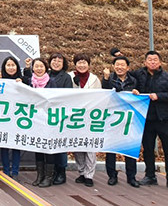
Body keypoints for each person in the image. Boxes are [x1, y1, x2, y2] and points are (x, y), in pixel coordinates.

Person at [132, 51, 168, 192]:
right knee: (147, 149)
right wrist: (134, 91)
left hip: (164, 119)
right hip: (146, 119)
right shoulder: (139, 75)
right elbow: (127, 78)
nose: (152, 62)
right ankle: (150, 175)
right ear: (145, 62)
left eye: (155, 60)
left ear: (160, 62)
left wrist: (159, 96)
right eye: (149, 60)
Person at [101, 56, 140, 188]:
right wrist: (106, 79)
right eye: (117, 64)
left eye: (122, 65)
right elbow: (104, 94)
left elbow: (140, 96)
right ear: (113, 66)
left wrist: (136, 93)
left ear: (128, 68)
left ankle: (131, 176)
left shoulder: (134, 81)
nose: (119, 67)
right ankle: (112, 175)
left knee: (129, 148)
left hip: (129, 120)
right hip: (112, 119)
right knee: (111, 149)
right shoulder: (109, 79)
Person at [23, 58, 58, 187]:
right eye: (36, 66)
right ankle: (40, 175)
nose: (38, 69)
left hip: (48, 119)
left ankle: (48, 177)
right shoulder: (29, 82)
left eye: (41, 66)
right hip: (35, 120)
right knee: (38, 147)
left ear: (46, 68)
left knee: (48, 147)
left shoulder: (51, 82)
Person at [68, 53, 101, 187]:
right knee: (77, 145)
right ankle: (81, 171)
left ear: (89, 64)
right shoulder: (69, 77)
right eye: (79, 62)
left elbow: (100, 97)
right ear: (75, 64)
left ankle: (89, 174)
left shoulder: (94, 79)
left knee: (90, 146)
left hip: (90, 117)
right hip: (74, 117)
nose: (82, 65)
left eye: (84, 62)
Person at [47, 52, 73, 185]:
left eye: (59, 61)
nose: (56, 63)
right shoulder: (45, 75)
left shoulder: (66, 77)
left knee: (61, 145)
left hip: (61, 116)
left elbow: (67, 96)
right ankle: (52, 172)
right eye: (54, 60)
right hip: (46, 116)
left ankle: (61, 172)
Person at [0, 57, 23, 178]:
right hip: (3, 117)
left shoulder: (22, 80)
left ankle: (15, 171)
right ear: (4, 67)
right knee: (4, 144)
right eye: (8, 65)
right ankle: (6, 170)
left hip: (18, 117)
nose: (11, 67)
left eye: (13, 65)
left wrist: (22, 85)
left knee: (16, 145)